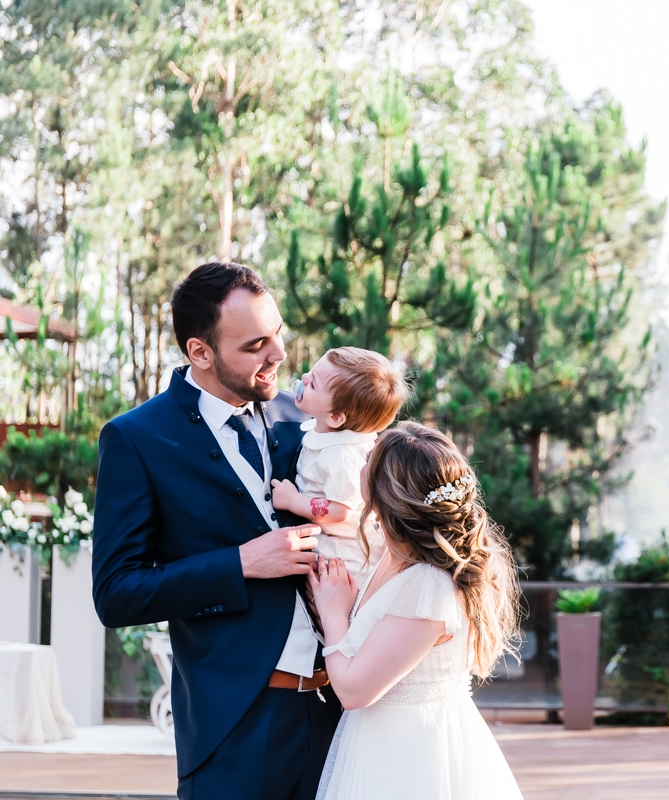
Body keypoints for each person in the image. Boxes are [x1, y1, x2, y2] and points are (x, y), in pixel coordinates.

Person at [92, 262, 341, 800]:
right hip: (236, 730)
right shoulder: (137, 440)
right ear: (200, 352)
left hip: (342, 718)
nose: (278, 354)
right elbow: (115, 593)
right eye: (255, 345)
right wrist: (241, 563)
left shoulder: (303, 420)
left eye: (278, 334)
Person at [308, 422, 525, 800]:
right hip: (380, 743)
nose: (360, 459)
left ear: (385, 492)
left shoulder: (427, 584)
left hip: (412, 755)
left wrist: (334, 612)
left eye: (369, 457)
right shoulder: (391, 557)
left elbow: (354, 691)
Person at [270, 347, 406, 577]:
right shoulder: (326, 430)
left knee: (335, 591)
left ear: (335, 417)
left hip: (347, 553)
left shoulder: (342, 455)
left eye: (313, 384)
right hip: (330, 539)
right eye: (311, 372)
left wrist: (293, 500)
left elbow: (339, 509)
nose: (304, 378)